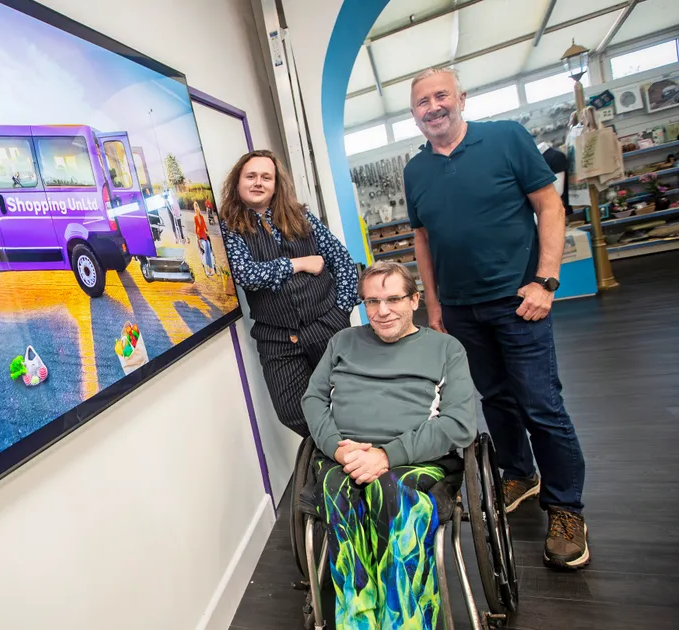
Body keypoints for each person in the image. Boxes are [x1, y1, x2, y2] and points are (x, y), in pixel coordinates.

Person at [403, 67, 588, 570]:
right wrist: (434, 305)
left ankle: (567, 508)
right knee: (496, 399)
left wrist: (547, 280)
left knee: (541, 405)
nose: (433, 106)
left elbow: (549, 206)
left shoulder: (506, 138)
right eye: (422, 101)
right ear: (414, 114)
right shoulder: (415, 170)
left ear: (461, 97)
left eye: (441, 95)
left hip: (518, 301)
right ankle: (520, 474)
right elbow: (423, 239)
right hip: (461, 310)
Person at [301, 261, 477, 629]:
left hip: (416, 460)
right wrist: (337, 448)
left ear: (415, 300)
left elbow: (459, 424)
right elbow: (313, 400)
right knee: (336, 489)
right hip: (343, 457)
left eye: (393, 299)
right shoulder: (342, 342)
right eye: (371, 302)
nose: (382, 311)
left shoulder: (446, 349)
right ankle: (358, 619)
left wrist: (386, 455)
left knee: (391, 491)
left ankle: (405, 620)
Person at [220, 149, 358, 437]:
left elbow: (341, 260)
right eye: (251, 176)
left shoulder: (300, 217)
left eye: (266, 177)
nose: (258, 182)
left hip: (327, 327)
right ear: (238, 182)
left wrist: (341, 310)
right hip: (277, 339)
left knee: (352, 403)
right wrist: (300, 263)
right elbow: (247, 275)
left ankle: (367, 466)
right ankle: (339, 455)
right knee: (292, 412)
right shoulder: (229, 229)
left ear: (276, 184)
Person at [193, 200, 214, 276]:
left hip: (205, 236)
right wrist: (198, 237)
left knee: (208, 250)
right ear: (195, 210)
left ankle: (211, 268)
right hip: (200, 237)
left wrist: (207, 232)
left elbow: (204, 226)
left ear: (198, 208)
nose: (196, 209)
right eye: (195, 208)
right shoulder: (195, 218)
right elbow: (196, 228)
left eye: (197, 207)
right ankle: (207, 268)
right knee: (205, 249)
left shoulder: (201, 217)